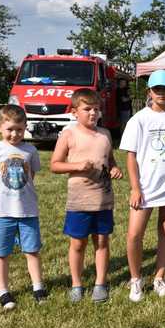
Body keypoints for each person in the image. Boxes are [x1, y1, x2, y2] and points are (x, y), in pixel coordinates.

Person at [120, 70, 165, 302]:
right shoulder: (138, 120)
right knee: (134, 235)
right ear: (149, 92)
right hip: (145, 187)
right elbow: (130, 157)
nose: (161, 93)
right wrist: (135, 188)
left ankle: (159, 277)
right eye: (156, 89)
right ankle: (135, 279)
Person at [50, 89, 123, 302]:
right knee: (78, 244)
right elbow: (54, 165)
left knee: (101, 241)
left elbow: (109, 160)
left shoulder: (105, 134)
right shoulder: (69, 134)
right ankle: (77, 284)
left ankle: (100, 283)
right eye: (87, 109)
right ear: (74, 112)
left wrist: (115, 169)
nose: (93, 113)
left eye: (97, 109)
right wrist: (77, 166)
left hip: (103, 200)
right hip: (79, 202)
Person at [0, 105, 46, 310]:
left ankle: (38, 287)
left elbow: (30, 176)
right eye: (9, 129)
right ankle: (4, 291)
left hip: (28, 211)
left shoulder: (31, 150)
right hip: (2, 213)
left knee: (32, 250)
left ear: (25, 127)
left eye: (19, 129)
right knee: (1, 253)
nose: (14, 134)